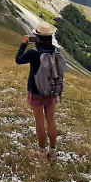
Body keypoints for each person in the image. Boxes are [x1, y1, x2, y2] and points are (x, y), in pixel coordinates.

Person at [16, 23, 61, 159]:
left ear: (37, 37)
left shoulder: (33, 53)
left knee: (39, 122)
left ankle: (41, 151)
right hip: (52, 91)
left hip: (35, 91)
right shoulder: (56, 52)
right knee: (51, 121)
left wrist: (23, 44)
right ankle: (52, 150)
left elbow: (18, 60)